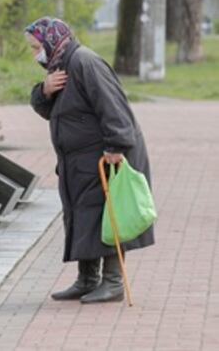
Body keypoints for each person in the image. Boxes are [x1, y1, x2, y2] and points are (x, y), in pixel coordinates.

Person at [27, 17, 154, 303]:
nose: (35, 52)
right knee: (83, 214)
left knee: (108, 214)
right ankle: (87, 279)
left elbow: (113, 106)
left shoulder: (85, 62)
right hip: (78, 160)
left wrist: (116, 144)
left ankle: (113, 282)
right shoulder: (60, 66)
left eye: (36, 46)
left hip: (106, 155)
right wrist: (44, 90)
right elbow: (50, 110)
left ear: (52, 41)